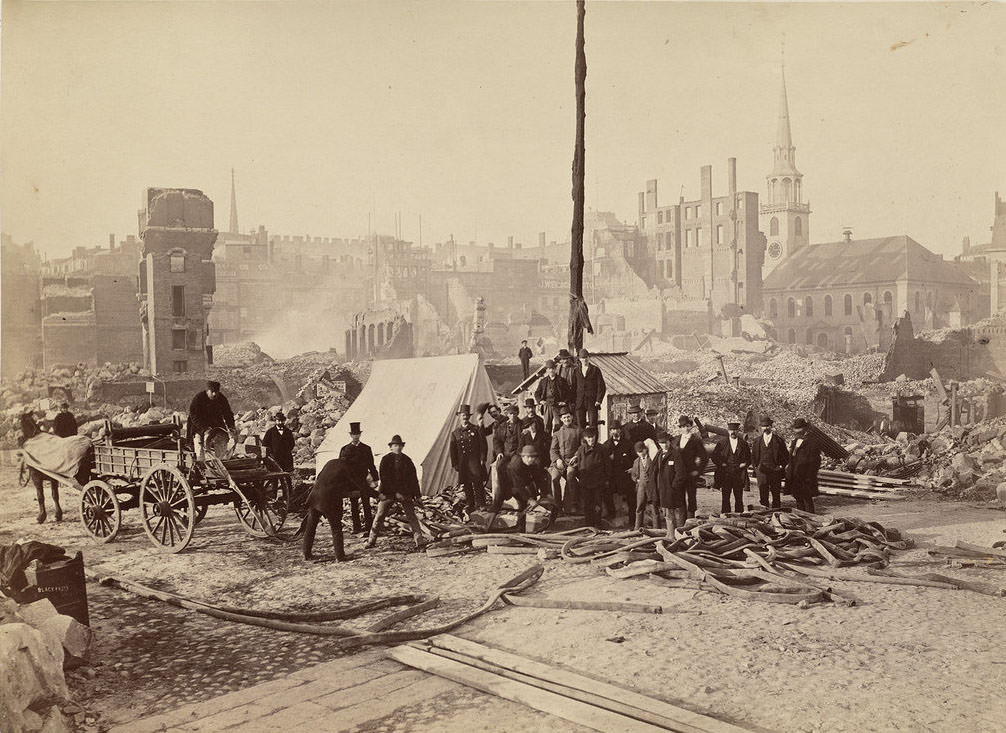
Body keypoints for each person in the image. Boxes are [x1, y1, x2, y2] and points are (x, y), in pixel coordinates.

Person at [367, 435, 425, 549]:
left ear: (402, 447)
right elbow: (384, 479)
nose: (397, 448)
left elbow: (413, 479)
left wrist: (417, 496)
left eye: (399, 445)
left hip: (405, 493)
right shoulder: (386, 460)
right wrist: (395, 493)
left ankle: (420, 542)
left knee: (412, 516)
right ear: (391, 447)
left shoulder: (407, 460)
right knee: (380, 515)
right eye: (395, 445)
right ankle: (371, 541)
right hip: (388, 493)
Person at [303, 458, 362, 562]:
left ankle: (306, 554)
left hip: (315, 497)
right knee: (336, 529)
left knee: (310, 527)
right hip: (329, 501)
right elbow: (359, 484)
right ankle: (340, 556)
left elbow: (320, 477)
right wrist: (375, 494)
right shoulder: (349, 467)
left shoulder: (331, 462)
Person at [487, 444, 552, 533]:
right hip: (506, 483)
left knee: (523, 504)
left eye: (533, 457)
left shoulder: (534, 464)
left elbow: (538, 478)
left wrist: (545, 493)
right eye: (528, 457)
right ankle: (487, 527)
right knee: (497, 503)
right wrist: (530, 499)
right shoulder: (515, 465)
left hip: (520, 483)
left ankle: (520, 528)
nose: (530, 459)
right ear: (522, 456)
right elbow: (519, 486)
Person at [20, 413, 64, 523]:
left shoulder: (26, 422)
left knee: (39, 487)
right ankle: (58, 510)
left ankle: (42, 512)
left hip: (37, 441)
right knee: (54, 486)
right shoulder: (31, 421)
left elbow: (28, 434)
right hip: (45, 438)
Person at [338, 422, 378, 533]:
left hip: (363, 479)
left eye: (357, 434)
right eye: (353, 434)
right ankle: (357, 527)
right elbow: (340, 466)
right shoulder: (345, 449)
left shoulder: (366, 448)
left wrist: (375, 478)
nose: (355, 436)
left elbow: (371, 464)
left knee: (366, 503)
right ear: (350, 435)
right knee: (354, 504)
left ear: (360, 435)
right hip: (351, 481)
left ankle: (369, 527)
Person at [450, 404, 488, 511]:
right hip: (463, 463)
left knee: (478, 483)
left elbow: (483, 445)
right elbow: (452, 451)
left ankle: (481, 504)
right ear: (459, 417)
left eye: (466, 415)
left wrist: (482, 458)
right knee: (466, 484)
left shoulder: (476, 429)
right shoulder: (455, 433)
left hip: (475, 461)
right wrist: (455, 464)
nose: (465, 417)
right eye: (463, 415)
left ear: (469, 417)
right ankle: (470, 504)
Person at [671, 416, 708, 520]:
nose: (685, 429)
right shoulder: (675, 440)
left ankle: (691, 521)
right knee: (680, 497)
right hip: (678, 475)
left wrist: (697, 471)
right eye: (682, 427)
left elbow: (704, 458)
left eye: (687, 426)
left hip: (691, 474)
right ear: (680, 428)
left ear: (691, 426)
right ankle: (681, 522)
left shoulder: (696, 440)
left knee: (691, 498)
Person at [186, 381, 236, 457]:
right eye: (212, 392)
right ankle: (201, 464)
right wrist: (205, 429)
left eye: (216, 392)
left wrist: (231, 426)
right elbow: (194, 417)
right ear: (207, 391)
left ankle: (221, 461)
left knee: (222, 439)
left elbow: (228, 414)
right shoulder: (198, 399)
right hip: (199, 426)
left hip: (216, 425)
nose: (214, 394)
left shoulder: (221, 399)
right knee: (200, 450)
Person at [573, 427, 610, 528]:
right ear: (585, 438)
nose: (591, 440)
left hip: (598, 482)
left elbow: (607, 466)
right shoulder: (581, 449)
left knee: (597, 505)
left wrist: (605, 480)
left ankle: (597, 524)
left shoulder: (602, 449)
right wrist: (580, 478)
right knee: (587, 505)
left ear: (595, 437)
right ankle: (588, 525)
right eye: (588, 438)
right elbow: (579, 465)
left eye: (592, 437)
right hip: (585, 482)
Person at [712, 421, 751, 514]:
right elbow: (714, 457)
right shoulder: (721, 443)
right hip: (726, 474)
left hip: (739, 474)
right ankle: (725, 515)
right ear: (728, 431)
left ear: (738, 431)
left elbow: (749, 458)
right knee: (725, 497)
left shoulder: (743, 444)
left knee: (739, 497)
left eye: (735, 430)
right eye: (731, 430)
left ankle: (739, 515)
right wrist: (721, 464)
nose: (733, 432)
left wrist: (744, 464)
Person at [548, 407, 582, 513]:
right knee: (554, 478)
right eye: (564, 417)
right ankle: (557, 504)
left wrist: (576, 456)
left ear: (572, 417)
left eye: (568, 417)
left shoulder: (578, 431)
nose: (567, 419)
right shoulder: (557, 433)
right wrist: (557, 460)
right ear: (561, 419)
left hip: (573, 461)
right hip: (560, 462)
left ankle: (573, 504)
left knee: (570, 477)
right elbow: (553, 450)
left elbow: (582, 446)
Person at [751, 416, 789, 509]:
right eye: (763, 426)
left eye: (767, 426)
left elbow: (786, 456)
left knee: (776, 492)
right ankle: (764, 511)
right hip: (762, 471)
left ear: (771, 426)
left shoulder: (778, 440)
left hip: (775, 471)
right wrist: (756, 468)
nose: (765, 428)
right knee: (763, 492)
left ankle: (776, 511)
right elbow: (753, 456)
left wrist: (781, 466)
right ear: (761, 427)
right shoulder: (757, 441)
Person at [786, 418, 821, 513]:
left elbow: (816, 461)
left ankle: (811, 518)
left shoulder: (812, 442)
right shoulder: (794, 441)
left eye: (799, 428)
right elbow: (791, 457)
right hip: (795, 475)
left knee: (807, 499)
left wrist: (810, 475)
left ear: (805, 428)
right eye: (795, 428)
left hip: (806, 477)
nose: (797, 431)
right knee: (798, 498)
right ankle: (801, 517)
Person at [604, 421, 635, 521]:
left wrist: (633, 469)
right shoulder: (606, 445)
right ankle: (611, 514)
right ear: (610, 431)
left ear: (620, 430)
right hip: (612, 476)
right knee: (606, 493)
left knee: (631, 495)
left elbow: (634, 458)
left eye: (617, 429)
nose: (615, 431)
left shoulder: (628, 443)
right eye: (612, 429)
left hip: (625, 475)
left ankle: (632, 519)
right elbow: (604, 462)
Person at [571, 348, 606, 429]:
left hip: (592, 401)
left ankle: (593, 441)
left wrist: (598, 400)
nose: (585, 360)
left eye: (586, 357)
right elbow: (573, 387)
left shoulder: (595, 370)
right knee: (580, 425)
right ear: (579, 359)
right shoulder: (576, 371)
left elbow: (601, 386)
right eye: (582, 358)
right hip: (579, 402)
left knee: (593, 424)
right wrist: (574, 401)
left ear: (589, 358)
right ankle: (581, 442)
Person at [630, 440, 658, 530]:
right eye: (638, 452)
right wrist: (636, 480)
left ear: (646, 450)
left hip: (652, 488)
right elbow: (633, 474)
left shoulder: (652, 459)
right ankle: (637, 528)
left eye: (642, 451)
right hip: (641, 488)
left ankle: (657, 528)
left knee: (654, 508)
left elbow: (657, 473)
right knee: (639, 508)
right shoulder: (636, 461)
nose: (641, 454)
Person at [534, 360, 568, 434]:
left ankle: (557, 442)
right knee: (546, 425)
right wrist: (540, 401)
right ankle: (547, 443)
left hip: (557, 406)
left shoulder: (561, 380)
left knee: (558, 424)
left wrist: (564, 402)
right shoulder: (543, 381)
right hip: (547, 405)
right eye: (549, 369)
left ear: (555, 369)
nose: (551, 370)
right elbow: (537, 393)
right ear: (547, 370)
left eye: (552, 368)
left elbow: (568, 393)